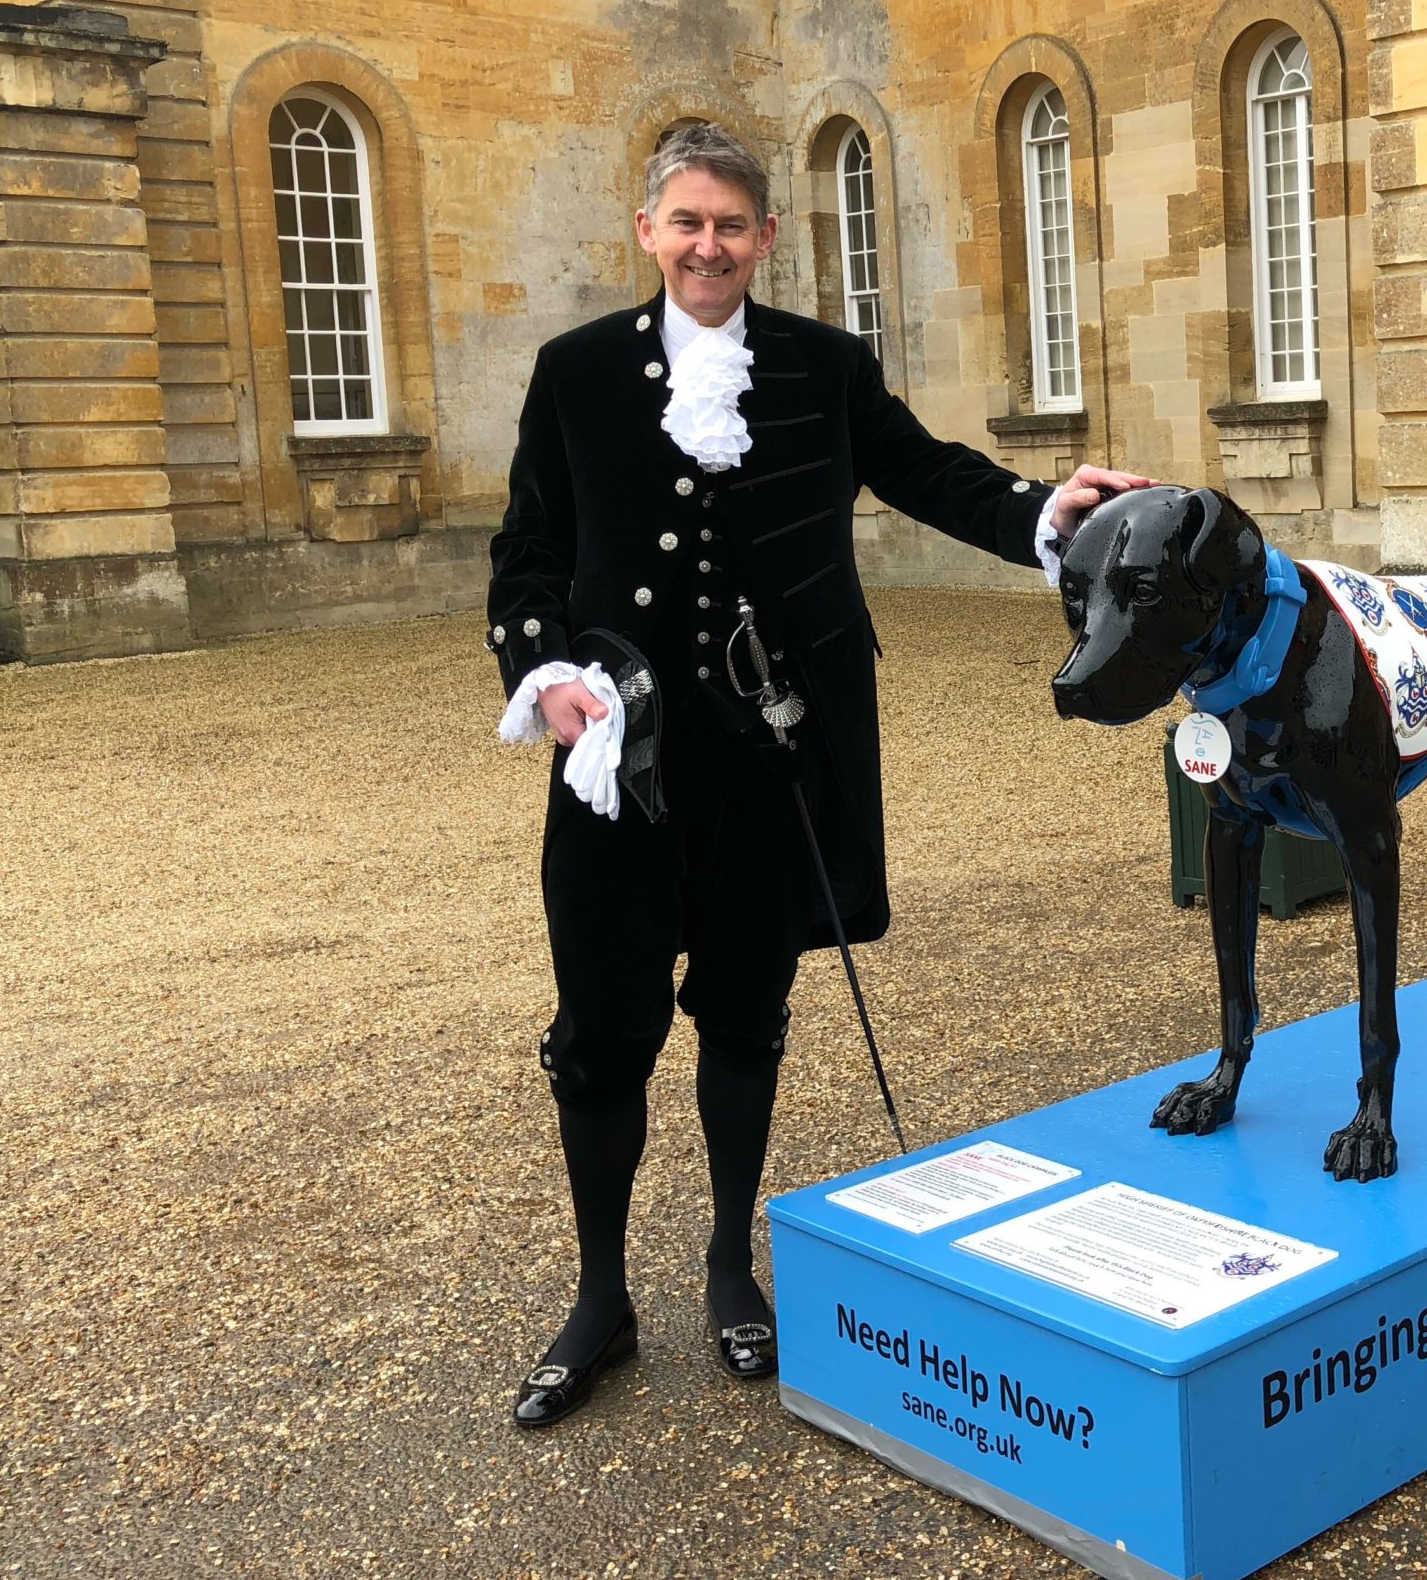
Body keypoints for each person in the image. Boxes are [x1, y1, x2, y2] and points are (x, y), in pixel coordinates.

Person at [486, 122, 1147, 1427]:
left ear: (767, 239)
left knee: (744, 1016)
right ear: (646, 232)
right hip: (618, 765)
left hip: (764, 762)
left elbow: (925, 472)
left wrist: (1042, 514)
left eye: (731, 224)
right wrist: (543, 670)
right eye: (685, 222)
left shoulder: (823, 368)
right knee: (604, 1037)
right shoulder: (572, 376)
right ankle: (601, 1296)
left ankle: (734, 1263)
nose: (707, 245)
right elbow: (527, 551)